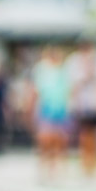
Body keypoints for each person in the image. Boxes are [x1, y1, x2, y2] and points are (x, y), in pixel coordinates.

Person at [29, 46, 71, 178]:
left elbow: (67, 92)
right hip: (47, 109)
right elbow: (36, 91)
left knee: (58, 140)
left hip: (59, 109)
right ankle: (44, 166)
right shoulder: (42, 70)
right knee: (45, 139)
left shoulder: (62, 71)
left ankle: (55, 167)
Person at [70, 41, 96, 175]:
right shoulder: (74, 64)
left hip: (93, 105)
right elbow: (74, 86)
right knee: (84, 135)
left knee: (94, 135)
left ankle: (92, 162)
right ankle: (85, 162)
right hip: (82, 105)